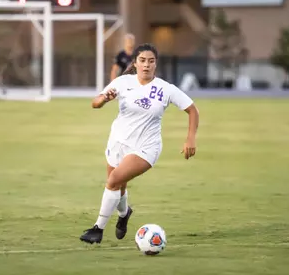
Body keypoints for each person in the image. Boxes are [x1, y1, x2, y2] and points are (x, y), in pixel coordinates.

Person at [80, 43, 199, 244]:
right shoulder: (123, 82)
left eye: (151, 61)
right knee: (119, 187)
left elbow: (192, 110)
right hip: (118, 141)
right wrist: (103, 101)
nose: (146, 65)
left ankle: (97, 229)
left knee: (114, 180)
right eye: (142, 60)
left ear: (156, 64)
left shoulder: (165, 89)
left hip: (146, 147)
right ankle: (125, 213)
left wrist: (190, 138)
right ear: (134, 63)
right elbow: (96, 102)